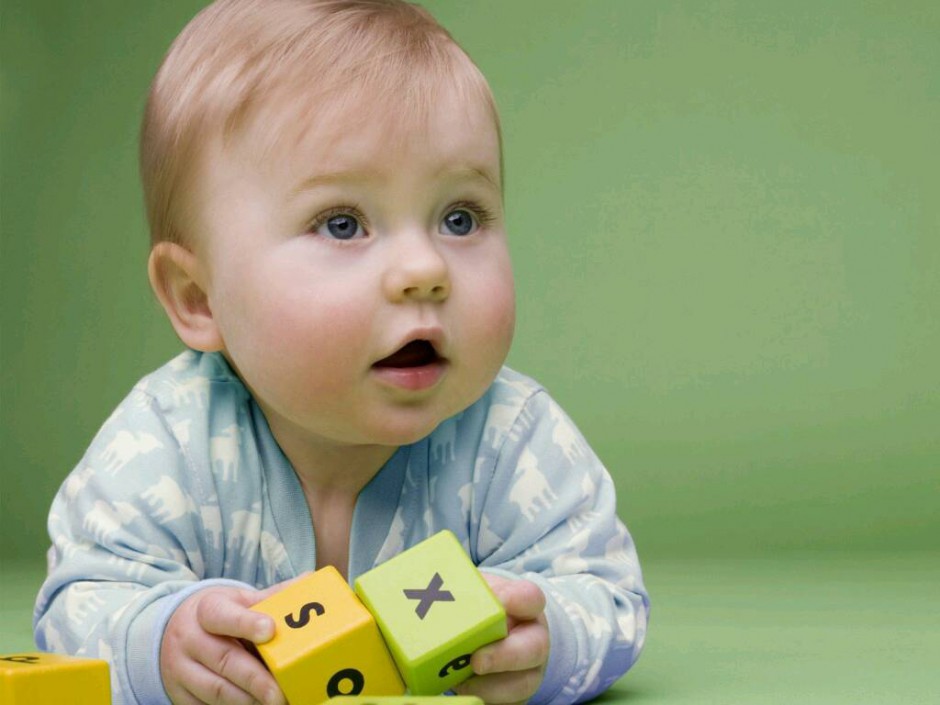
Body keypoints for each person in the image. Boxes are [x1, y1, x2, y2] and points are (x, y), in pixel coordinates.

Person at [33, 1, 650, 703]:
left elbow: (611, 593)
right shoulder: (167, 442)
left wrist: (552, 638)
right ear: (198, 298)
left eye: (459, 217)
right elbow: (76, 604)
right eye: (342, 223)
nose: (424, 267)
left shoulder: (511, 435)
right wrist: (161, 639)